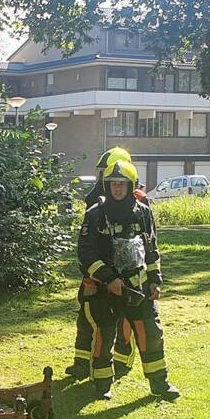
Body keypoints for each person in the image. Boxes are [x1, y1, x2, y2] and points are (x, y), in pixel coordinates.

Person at [74, 160, 180, 401]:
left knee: (150, 333)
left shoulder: (144, 212)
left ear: (131, 186)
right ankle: (102, 384)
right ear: (106, 186)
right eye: (112, 184)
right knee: (105, 333)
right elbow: (85, 254)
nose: (117, 189)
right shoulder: (95, 214)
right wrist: (108, 278)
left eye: (122, 184)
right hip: (105, 288)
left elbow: (151, 248)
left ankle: (159, 383)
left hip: (138, 287)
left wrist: (155, 280)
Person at [68, 148, 141, 381]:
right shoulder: (95, 200)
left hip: (126, 275)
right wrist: (92, 271)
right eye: (104, 175)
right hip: (97, 271)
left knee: (125, 321)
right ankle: (82, 362)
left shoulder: (139, 202)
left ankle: (121, 360)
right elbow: (87, 242)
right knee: (88, 317)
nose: (106, 180)